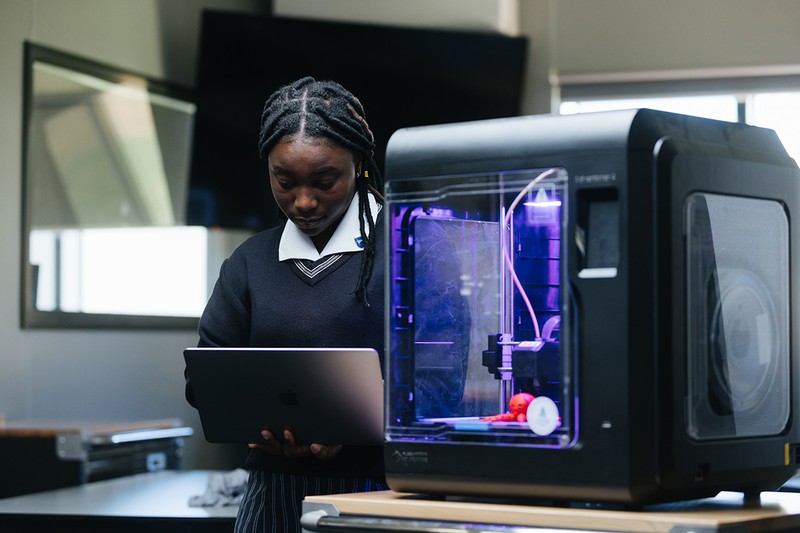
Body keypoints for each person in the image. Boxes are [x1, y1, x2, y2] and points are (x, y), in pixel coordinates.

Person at [185, 76, 387, 533]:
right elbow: (204, 382)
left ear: (359, 164)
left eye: (324, 180)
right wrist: (267, 429)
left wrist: (355, 432)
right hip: (272, 495)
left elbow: (445, 381)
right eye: (285, 181)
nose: (303, 201)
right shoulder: (250, 263)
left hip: (383, 493)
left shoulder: (410, 249)